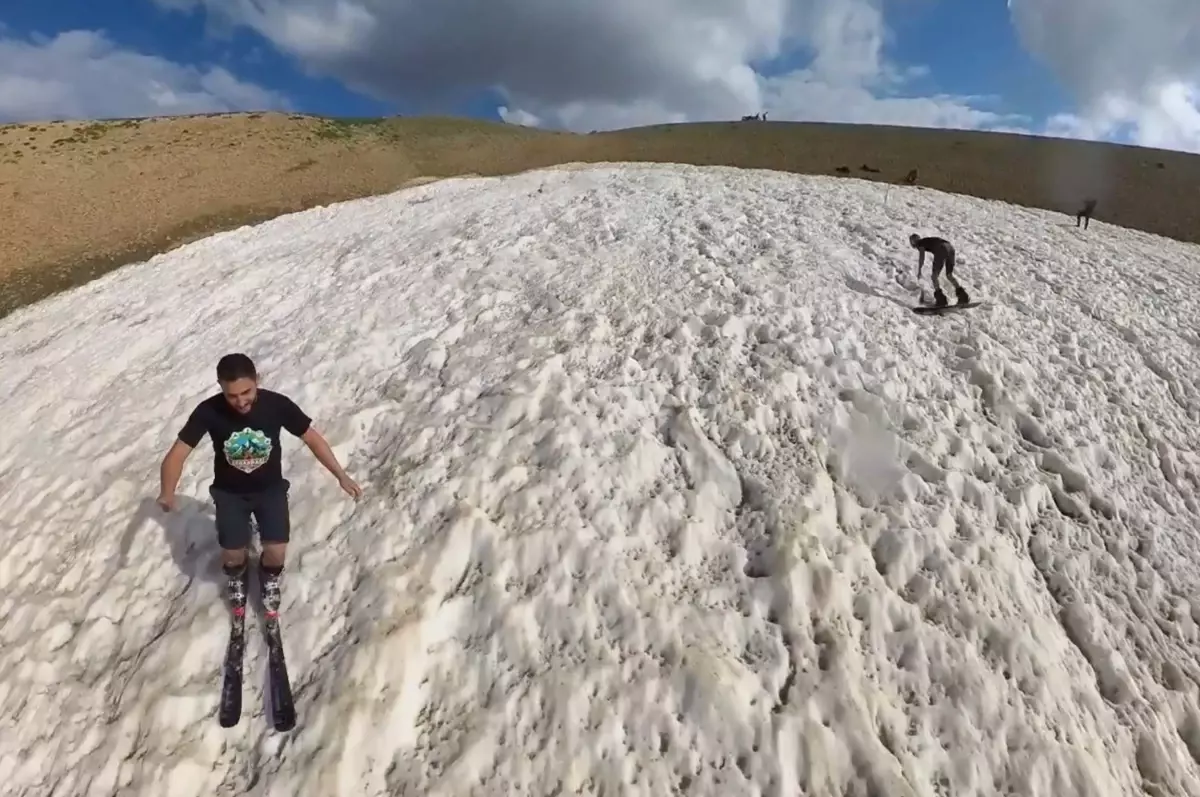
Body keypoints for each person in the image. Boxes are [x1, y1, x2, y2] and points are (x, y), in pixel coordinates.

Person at [156, 352, 363, 614]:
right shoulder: (208, 411)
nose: (241, 401)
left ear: (257, 380)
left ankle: (268, 578)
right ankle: (236, 575)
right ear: (220, 386)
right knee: (233, 554)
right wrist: (167, 491)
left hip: (270, 491)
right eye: (232, 395)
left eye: (247, 391)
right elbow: (178, 453)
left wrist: (341, 475)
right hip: (229, 494)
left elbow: (311, 438)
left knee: (276, 551)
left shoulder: (277, 406)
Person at [909, 233, 969, 307]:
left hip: (941, 249)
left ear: (913, 242)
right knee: (949, 275)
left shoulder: (920, 243)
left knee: (934, 277)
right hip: (950, 247)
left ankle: (941, 301)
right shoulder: (927, 240)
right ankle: (963, 297)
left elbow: (922, 257)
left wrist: (919, 270)